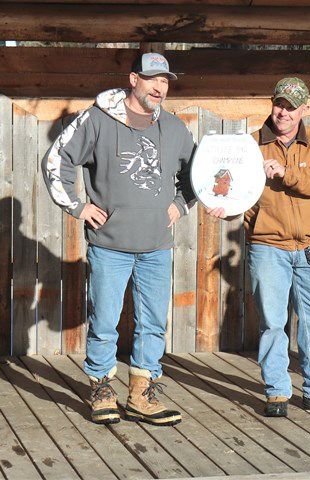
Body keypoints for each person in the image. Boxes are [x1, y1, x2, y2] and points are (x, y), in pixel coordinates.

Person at [42, 52, 196, 426]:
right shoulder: (97, 119)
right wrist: (78, 207)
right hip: (110, 244)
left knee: (153, 321)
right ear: (133, 79)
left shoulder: (175, 128)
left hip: (156, 245)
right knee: (105, 320)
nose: (160, 86)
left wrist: (181, 203)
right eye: (153, 79)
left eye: (165, 81)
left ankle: (141, 394)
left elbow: (200, 174)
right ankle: (101, 389)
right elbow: (56, 159)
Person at [208, 77, 310, 417]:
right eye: (279, 104)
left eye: (292, 107)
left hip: (309, 247)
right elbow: (232, 189)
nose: (283, 112)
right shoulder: (249, 146)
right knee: (273, 323)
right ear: (271, 104)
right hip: (266, 247)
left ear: (305, 109)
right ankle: (277, 392)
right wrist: (221, 203)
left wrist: (286, 173)